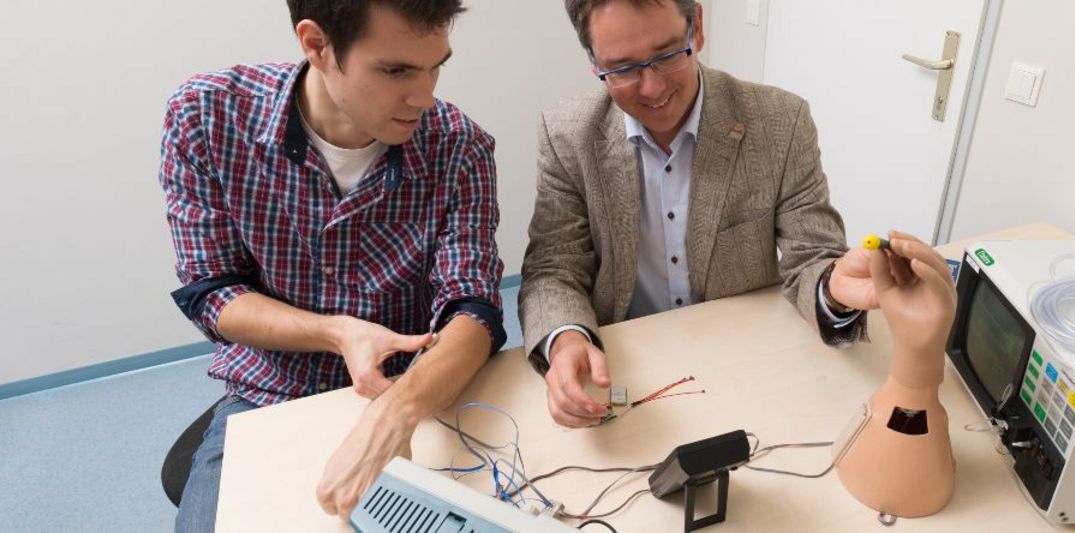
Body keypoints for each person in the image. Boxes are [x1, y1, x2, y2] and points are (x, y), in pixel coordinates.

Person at [157, 1, 503, 530]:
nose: (424, 97)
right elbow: (212, 293)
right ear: (317, 45)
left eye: (435, 67)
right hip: (268, 394)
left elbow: (473, 310)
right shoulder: (207, 117)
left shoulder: (460, 146)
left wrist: (396, 412)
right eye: (395, 70)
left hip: (417, 389)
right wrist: (338, 332)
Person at [519, 0, 876, 428]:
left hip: (747, 357)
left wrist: (833, 290)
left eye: (668, 54)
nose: (652, 88)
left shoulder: (781, 121)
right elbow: (554, 267)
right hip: (625, 365)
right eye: (623, 68)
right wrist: (565, 338)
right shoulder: (566, 134)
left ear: (697, 27)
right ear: (593, 61)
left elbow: (813, 254)